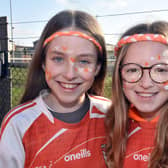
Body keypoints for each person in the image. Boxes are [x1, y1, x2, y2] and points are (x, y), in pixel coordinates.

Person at [0, 10, 111, 168]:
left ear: (98, 67)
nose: (69, 74)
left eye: (84, 61)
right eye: (58, 58)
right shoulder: (18, 125)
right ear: (43, 62)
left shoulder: (111, 115)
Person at [105, 21, 168, 168]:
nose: (146, 84)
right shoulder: (108, 123)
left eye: (161, 70)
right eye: (132, 70)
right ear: (119, 76)